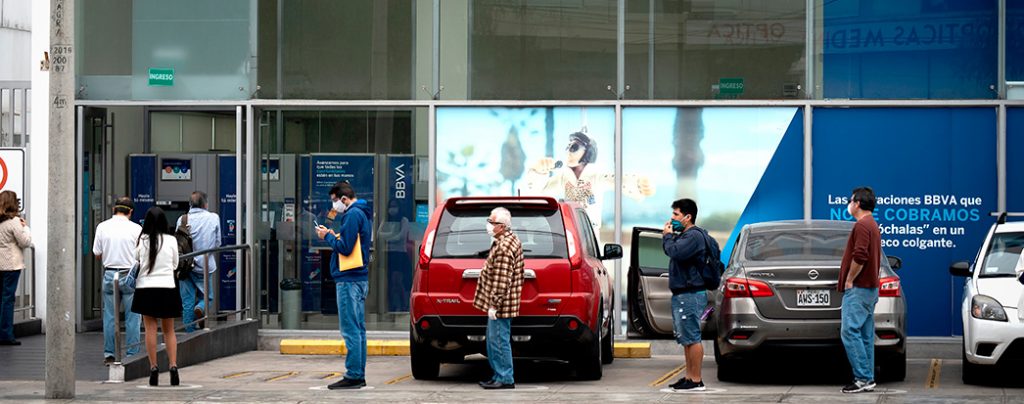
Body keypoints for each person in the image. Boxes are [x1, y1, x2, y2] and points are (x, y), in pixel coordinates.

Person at [521, 131, 654, 236]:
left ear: (588, 152)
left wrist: (639, 184)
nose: (568, 151)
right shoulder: (564, 176)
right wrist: (538, 172)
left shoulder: (596, 176)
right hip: (569, 228)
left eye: (574, 147)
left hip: (590, 230)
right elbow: (537, 192)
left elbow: (618, 180)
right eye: (568, 146)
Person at [316, 181, 372, 390]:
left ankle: (354, 375)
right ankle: (358, 374)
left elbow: (346, 248)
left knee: (350, 329)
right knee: (358, 330)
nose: (334, 206)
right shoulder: (363, 212)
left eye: (335, 201)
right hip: (359, 277)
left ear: (344, 199)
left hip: (349, 280)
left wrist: (328, 236)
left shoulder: (352, 215)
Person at [472, 207, 524, 390]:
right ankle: (498, 375)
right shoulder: (506, 240)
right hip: (503, 304)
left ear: (501, 226)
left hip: (501, 305)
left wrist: (494, 305)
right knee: (494, 340)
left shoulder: (503, 247)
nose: (488, 225)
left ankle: (505, 378)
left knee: (499, 341)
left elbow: (502, 280)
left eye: (491, 222)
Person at [838, 187, 882, 394]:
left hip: (859, 289)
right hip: (869, 290)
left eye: (850, 200)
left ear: (857, 203)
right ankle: (868, 378)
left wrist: (849, 279)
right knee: (864, 335)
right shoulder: (872, 224)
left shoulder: (863, 226)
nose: (848, 204)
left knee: (849, 332)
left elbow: (860, 256)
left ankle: (862, 378)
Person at [132, 207, 182, 386]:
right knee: (169, 330)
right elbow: (175, 263)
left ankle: (153, 368)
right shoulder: (171, 240)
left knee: (150, 329)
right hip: (167, 287)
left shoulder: (142, 241)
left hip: (146, 288)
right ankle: (173, 366)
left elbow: (135, 260)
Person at [662, 198, 707, 392]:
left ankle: (696, 380)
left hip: (690, 293)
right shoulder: (685, 235)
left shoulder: (693, 237)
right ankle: (689, 377)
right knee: (687, 338)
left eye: (676, 214)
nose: (672, 218)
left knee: (693, 337)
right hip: (683, 293)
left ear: (688, 217)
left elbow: (674, 252)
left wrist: (667, 236)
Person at [92, 196, 143, 364]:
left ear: (114, 209)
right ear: (131, 212)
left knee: (110, 316)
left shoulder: (102, 227)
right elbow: (141, 255)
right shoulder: (136, 228)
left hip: (109, 274)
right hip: (129, 275)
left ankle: (109, 354)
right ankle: (132, 353)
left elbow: (97, 254)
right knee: (133, 316)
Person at [176, 191, 222, 332]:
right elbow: (217, 242)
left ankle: (189, 332)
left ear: (190, 204)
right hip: (205, 265)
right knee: (207, 298)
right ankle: (200, 308)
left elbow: (178, 243)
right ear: (205, 204)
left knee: (187, 302)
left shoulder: (182, 219)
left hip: (185, 267)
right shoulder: (213, 218)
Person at [0, 191, 30, 346]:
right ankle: (6, 334)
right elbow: (25, 242)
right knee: (8, 299)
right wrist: (26, 228)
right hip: (11, 265)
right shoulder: (14, 222)